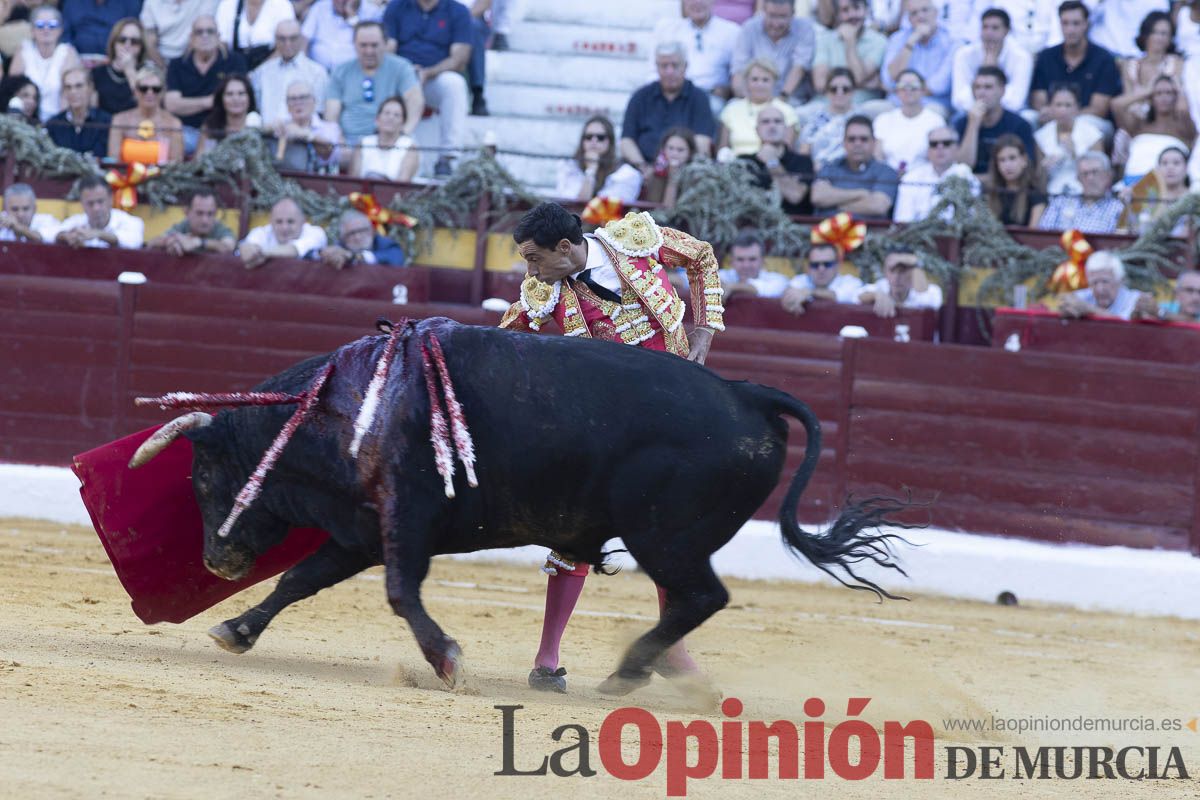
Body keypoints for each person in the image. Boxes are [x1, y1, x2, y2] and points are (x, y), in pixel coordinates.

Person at [497, 201, 724, 694]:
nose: (529, 270)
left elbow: (701, 257)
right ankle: (548, 658)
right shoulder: (544, 291)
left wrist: (703, 330)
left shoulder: (635, 241)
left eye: (534, 258)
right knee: (575, 532)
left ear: (565, 247)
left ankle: (668, 647)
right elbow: (500, 344)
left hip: (671, 418)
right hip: (604, 429)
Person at [383, 0, 472, 177]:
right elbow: (388, 49)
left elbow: (459, 58)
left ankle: (448, 157)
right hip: (400, 75)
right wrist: (405, 71)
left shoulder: (458, 11)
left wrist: (429, 72)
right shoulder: (396, 6)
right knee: (380, 75)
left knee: (454, 84)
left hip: (435, 76)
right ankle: (381, 148)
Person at [621, 41, 717, 171]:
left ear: (685, 66)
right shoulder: (640, 97)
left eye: (675, 65)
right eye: (664, 66)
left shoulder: (699, 98)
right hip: (643, 168)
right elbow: (626, 141)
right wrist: (642, 166)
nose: (669, 71)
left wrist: (678, 170)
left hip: (685, 170)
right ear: (656, 67)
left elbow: (702, 143)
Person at [1029, 1, 1121, 134]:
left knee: (1087, 124)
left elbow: (1099, 108)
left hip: (1087, 120)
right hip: (1051, 118)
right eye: (1065, 23)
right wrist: (1056, 113)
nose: (1070, 30)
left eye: (1076, 23)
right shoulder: (1046, 56)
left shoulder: (1103, 59)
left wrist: (1065, 115)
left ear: (1086, 24)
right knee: (1029, 118)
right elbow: (1038, 100)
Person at [326, 21, 423, 146]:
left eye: (374, 45)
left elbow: (414, 99)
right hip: (349, 141)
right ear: (354, 45)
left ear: (385, 44)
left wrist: (404, 132)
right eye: (363, 45)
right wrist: (338, 138)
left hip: (390, 139)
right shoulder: (341, 71)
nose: (369, 51)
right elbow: (331, 112)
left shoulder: (401, 67)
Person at [164, 16, 250, 156]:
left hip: (223, 130)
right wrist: (211, 101)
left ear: (218, 36)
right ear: (191, 37)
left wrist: (188, 104)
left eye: (210, 31)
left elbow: (244, 98)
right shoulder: (177, 64)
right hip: (186, 131)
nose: (205, 36)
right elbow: (172, 104)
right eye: (199, 32)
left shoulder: (234, 61)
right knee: (170, 143)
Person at [650, 0, 740, 112]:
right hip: (675, 93)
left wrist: (727, 89)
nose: (697, 2)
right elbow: (653, 72)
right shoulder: (670, 30)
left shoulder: (731, 32)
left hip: (710, 96)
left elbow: (739, 73)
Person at [810, 114, 900, 220]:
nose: (857, 144)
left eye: (864, 139)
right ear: (844, 143)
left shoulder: (886, 172)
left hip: (870, 234)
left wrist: (836, 204)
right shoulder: (829, 168)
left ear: (873, 143)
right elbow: (818, 197)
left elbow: (878, 206)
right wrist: (861, 193)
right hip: (827, 233)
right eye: (851, 139)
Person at [954, 65, 1035, 176]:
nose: (981, 93)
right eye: (977, 87)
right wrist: (973, 125)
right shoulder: (962, 123)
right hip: (970, 189)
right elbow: (963, 167)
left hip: (1005, 187)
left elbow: (1025, 168)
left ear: (1002, 90)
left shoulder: (1020, 125)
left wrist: (980, 180)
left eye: (988, 87)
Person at [950, 8, 1033, 116]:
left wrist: (992, 72)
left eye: (995, 28)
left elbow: (1016, 101)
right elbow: (958, 99)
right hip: (972, 111)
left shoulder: (1021, 57)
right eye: (985, 27)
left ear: (1006, 31)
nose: (989, 33)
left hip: (1010, 114)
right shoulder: (964, 55)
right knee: (958, 117)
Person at [1112, 75, 1196, 181]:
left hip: (1168, 184)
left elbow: (1183, 109)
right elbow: (1117, 105)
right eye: (1158, 93)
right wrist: (1147, 91)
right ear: (1151, 98)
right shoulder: (1139, 125)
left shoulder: (1183, 127)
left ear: (1176, 96)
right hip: (1134, 181)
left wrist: (1179, 89)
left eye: (1169, 93)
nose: (1164, 98)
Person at [731, 0, 816, 102]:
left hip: (790, 99)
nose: (776, 23)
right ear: (763, 11)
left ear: (793, 13)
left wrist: (782, 97)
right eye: (772, 16)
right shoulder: (749, 28)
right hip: (752, 98)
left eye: (782, 17)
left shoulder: (804, 28)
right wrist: (746, 100)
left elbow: (800, 67)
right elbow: (738, 70)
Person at [10, 4, 82, 121]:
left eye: (52, 25)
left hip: (59, 123)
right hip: (25, 122)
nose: (46, 29)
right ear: (32, 30)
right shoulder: (23, 51)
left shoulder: (67, 53)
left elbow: (69, 95)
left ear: (60, 30)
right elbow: (12, 92)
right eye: (40, 25)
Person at [880, 0, 955, 112]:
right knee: (871, 110)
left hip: (931, 103)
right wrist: (911, 42)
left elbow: (939, 86)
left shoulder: (951, 40)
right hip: (897, 102)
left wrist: (904, 89)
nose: (920, 16)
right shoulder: (898, 39)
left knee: (934, 112)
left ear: (935, 13)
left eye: (925, 10)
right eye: (914, 13)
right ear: (909, 19)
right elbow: (888, 80)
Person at [893, 126, 979, 223]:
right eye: (934, 144)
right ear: (928, 150)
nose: (940, 147)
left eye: (946, 143)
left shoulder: (967, 177)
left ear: (956, 148)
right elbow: (903, 219)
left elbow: (970, 219)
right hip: (917, 234)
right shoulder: (911, 177)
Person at [738, 105, 813, 215]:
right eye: (765, 122)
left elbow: (795, 195)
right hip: (752, 227)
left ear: (786, 130)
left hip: (793, 227)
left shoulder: (802, 161)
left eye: (777, 121)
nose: (772, 126)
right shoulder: (743, 162)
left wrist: (772, 162)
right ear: (757, 130)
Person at [251, 19, 328, 126]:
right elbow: (257, 108)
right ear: (275, 40)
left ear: (301, 39)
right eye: (282, 39)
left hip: (304, 136)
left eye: (293, 38)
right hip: (268, 135)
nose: (288, 43)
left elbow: (319, 111)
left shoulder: (317, 72)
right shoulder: (262, 72)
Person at [811, 0, 887, 105]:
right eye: (845, 10)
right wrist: (866, 84)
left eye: (857, 8)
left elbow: (858, 77)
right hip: (825, 105)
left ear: (866, 10)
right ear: (837, 15)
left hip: (860, 108)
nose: (852, 15)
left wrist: (850, 42)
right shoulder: (824, 40)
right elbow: (820, 83)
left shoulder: (879, 41)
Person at [554, 115, 643, 205]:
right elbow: (575, 205)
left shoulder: (627, 173)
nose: (594, 141)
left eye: (600, 137)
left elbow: (605, 209)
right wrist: (590, 171)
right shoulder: (569, 167)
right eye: (588, 137)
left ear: (610, 141)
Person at [717, 58, 799, 156]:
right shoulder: (731, 109)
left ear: (774, 83)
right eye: (754, 79)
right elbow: (722, 150)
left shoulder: (786, 110)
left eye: (765, 80)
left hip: (771, 165)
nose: (760, 84)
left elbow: (787, 150)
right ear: (746, 82)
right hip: (737, 166)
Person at [1115, 11, 1184, 125]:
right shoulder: (1130, 65)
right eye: (1154, 32)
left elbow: (1177, 97)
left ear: (1170, 38)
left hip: (1167, 122)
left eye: (1164, 33)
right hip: (1134, 123)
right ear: (1145, 35)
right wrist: (1150, 91)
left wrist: (1146, 93)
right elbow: (1126, 101)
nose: (1159, 37)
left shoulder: (1176, 63)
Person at [1035, 84, 1104, 196]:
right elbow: (1038, 179)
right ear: (1050, 107)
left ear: (1077, 108)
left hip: (1084, 193)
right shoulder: (1041, 136)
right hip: (1052, 192)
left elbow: (1100, 175)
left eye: (1068, 105)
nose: (1063, 110)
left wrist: (1075, 155)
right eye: (1058, 105)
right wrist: (1044, 169)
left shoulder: (1092, 134)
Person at [109, 64, 186, 164]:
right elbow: (113, 161)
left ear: (163, 92)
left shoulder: (174, 124)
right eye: (143, 88)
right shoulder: (119, 120)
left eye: (156, 89)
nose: (150, 93)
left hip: (162, 178)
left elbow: (176, 164)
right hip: (125, 178)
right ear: (135, 91)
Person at [872, 69, 944, 173]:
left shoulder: (936, 121)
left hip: (923, 179)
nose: (908, 90)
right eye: (903, 87)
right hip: (888, 178)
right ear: (896, 91)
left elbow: (938, 157)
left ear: (923, 90)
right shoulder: (883, 120)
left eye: (914, 87)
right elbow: (878, 156)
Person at [1037, 151, 1124, 233]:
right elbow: (1043, 235)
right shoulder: (1059, 203)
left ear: (1108, 176)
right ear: (1078, 179)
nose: (1090, 178)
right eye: (1085, 174)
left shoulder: (1118, 209)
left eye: (1095, 172)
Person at [272, 79, 343, 174]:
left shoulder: (330, 128)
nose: (298, 102)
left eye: (303, 97)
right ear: (287, 105)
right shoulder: (282, 127)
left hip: (320, 182)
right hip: (285, 180)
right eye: (292, 99)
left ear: (314, 101)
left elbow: (330, 154)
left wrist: (306, 134)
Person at [55, 175, 145, 249]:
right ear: (82, 203)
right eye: (90, 203)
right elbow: (52, 233)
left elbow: (134, 241)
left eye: (100, 201)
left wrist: (98, 234)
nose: (96, 208)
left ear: (111, 199)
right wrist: (66, 236)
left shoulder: (131, 222)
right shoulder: (75, 221)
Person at [238, 196, 328, 269]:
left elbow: (294, 250)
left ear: (303, 221)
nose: (284, 227)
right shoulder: (261, 232)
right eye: (279, 222)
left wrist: (261, 254)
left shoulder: (316, 233)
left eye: (290, 221)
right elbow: (249, 246)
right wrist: (246, 248)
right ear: (271, 222)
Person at [780, 239, 865, 314]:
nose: (821, 269)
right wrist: (790, 296)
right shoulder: (802, 280)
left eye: (827, 264)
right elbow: (789, 290)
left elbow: (837, 296)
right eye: (815, 265)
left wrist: (810, 292)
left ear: (837, 266)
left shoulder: (850, 282)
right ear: (808, 267)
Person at [1058, 250, 1148, 320]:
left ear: (1119, 281)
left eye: (1105, 282)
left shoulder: (1135, 300)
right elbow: (1069, 299)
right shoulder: (1086, 296)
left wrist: (1090, 310)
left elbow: (1125, 325)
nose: (1100, 289)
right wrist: (1068, 304)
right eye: (1094, 283)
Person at [796, 67, 856, 170]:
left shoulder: (860, 118)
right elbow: (804, 150)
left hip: (850, 173)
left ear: (853, 91)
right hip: (818, 171)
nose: (839, 93)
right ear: (827, 91)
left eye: (845, 89)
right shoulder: (816, 117)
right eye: (834, 89)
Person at [146, 189, 237, 255]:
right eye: (199, 213)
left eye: (210, 214)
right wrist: (172, 241)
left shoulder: (220, 229)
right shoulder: (183, 226)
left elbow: (228, 247)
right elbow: (152, 243)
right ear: (186, 212)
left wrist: (199, 242)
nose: (205, 220)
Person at [46, 68, 111, 159]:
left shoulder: (106, 122)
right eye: (68, 87)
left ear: (90, 88)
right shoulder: (53, 124)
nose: (73, 92)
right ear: (64, 92)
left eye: (79, 86)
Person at [302, 0, 385, 71]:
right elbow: (304, 39)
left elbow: (369, 41)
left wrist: (352, 17)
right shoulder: (320, 7)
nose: (340, 1)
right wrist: (304, 67)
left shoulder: (371, 12)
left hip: (355, 72)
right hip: (320, 72)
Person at [858, 247, 942, 317]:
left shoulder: (931, 291)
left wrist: (916, 263)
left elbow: (930, 298)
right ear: (885, 271)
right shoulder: (881, 286)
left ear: (913, 272)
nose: (896, 277)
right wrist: (876, 295)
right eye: (892, 270)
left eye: (902, 271)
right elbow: (857, 295)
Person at [985, 133, 1047, 227]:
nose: (1007, 165)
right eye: (1002, 160)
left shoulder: (1036, 194)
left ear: (1024, 160)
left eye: (1012, 158)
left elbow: (1034, 233)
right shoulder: (990, 193)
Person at [215, 0, 296, 70]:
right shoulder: (228, 4)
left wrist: (258, 73)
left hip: (271, 66)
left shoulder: (282, 5)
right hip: (235, 65)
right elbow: (221, 43)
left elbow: (287, 45)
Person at [316, 209, 407, 268]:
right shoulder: (340, 246)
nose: (357, 237)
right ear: (343, 237)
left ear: (372, 231)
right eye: (351, 233)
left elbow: (396, 259)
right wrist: (325, 254)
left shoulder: (386, 244)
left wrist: (355, 257)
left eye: (362, 231)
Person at [92, 17, 147, 115]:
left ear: (141, 47)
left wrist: (130, 71)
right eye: (122, 40)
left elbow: (148, 106)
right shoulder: (98, 73)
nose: (127, 45)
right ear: (114, 43)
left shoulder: (149, 73)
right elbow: (92, 112)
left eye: (134, 41)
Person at [142, 0, 219, 65]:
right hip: (158, 61)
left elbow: (203, 27)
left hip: (191, 58)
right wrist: (164, 69)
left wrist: (181, 68)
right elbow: (150, 44)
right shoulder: (152, 2)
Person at [718, 229, 790, 299]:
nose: (746, 265)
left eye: (752, 259)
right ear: (731, 261)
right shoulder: (722, 275)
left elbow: (766, 289)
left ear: (762, 261)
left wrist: (730, 287)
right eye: (740, 259)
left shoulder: (779, 280)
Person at [197, 74, 258, 153]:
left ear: (250, 97)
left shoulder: (259, 126)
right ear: (221, 99)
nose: (235, 99)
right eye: (229, 94)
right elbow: (200, 161)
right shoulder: (210, 128)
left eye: (241, 93)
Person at [638, 127, 698, 208]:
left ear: (690, 152)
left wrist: (673, 177)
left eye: (680, 150)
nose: (674, 154)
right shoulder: (656, 171)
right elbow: (657, 208)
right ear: (663, 149)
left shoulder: (696, 175)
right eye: (670, 148)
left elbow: (671, 212)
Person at [61, 0, 141, 60]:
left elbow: (133, 34)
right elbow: (65, 36)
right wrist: (72, 57)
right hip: (78, 60)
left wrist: (116, 57)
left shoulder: (130, 3)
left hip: (116, 60)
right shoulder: (72, 2)